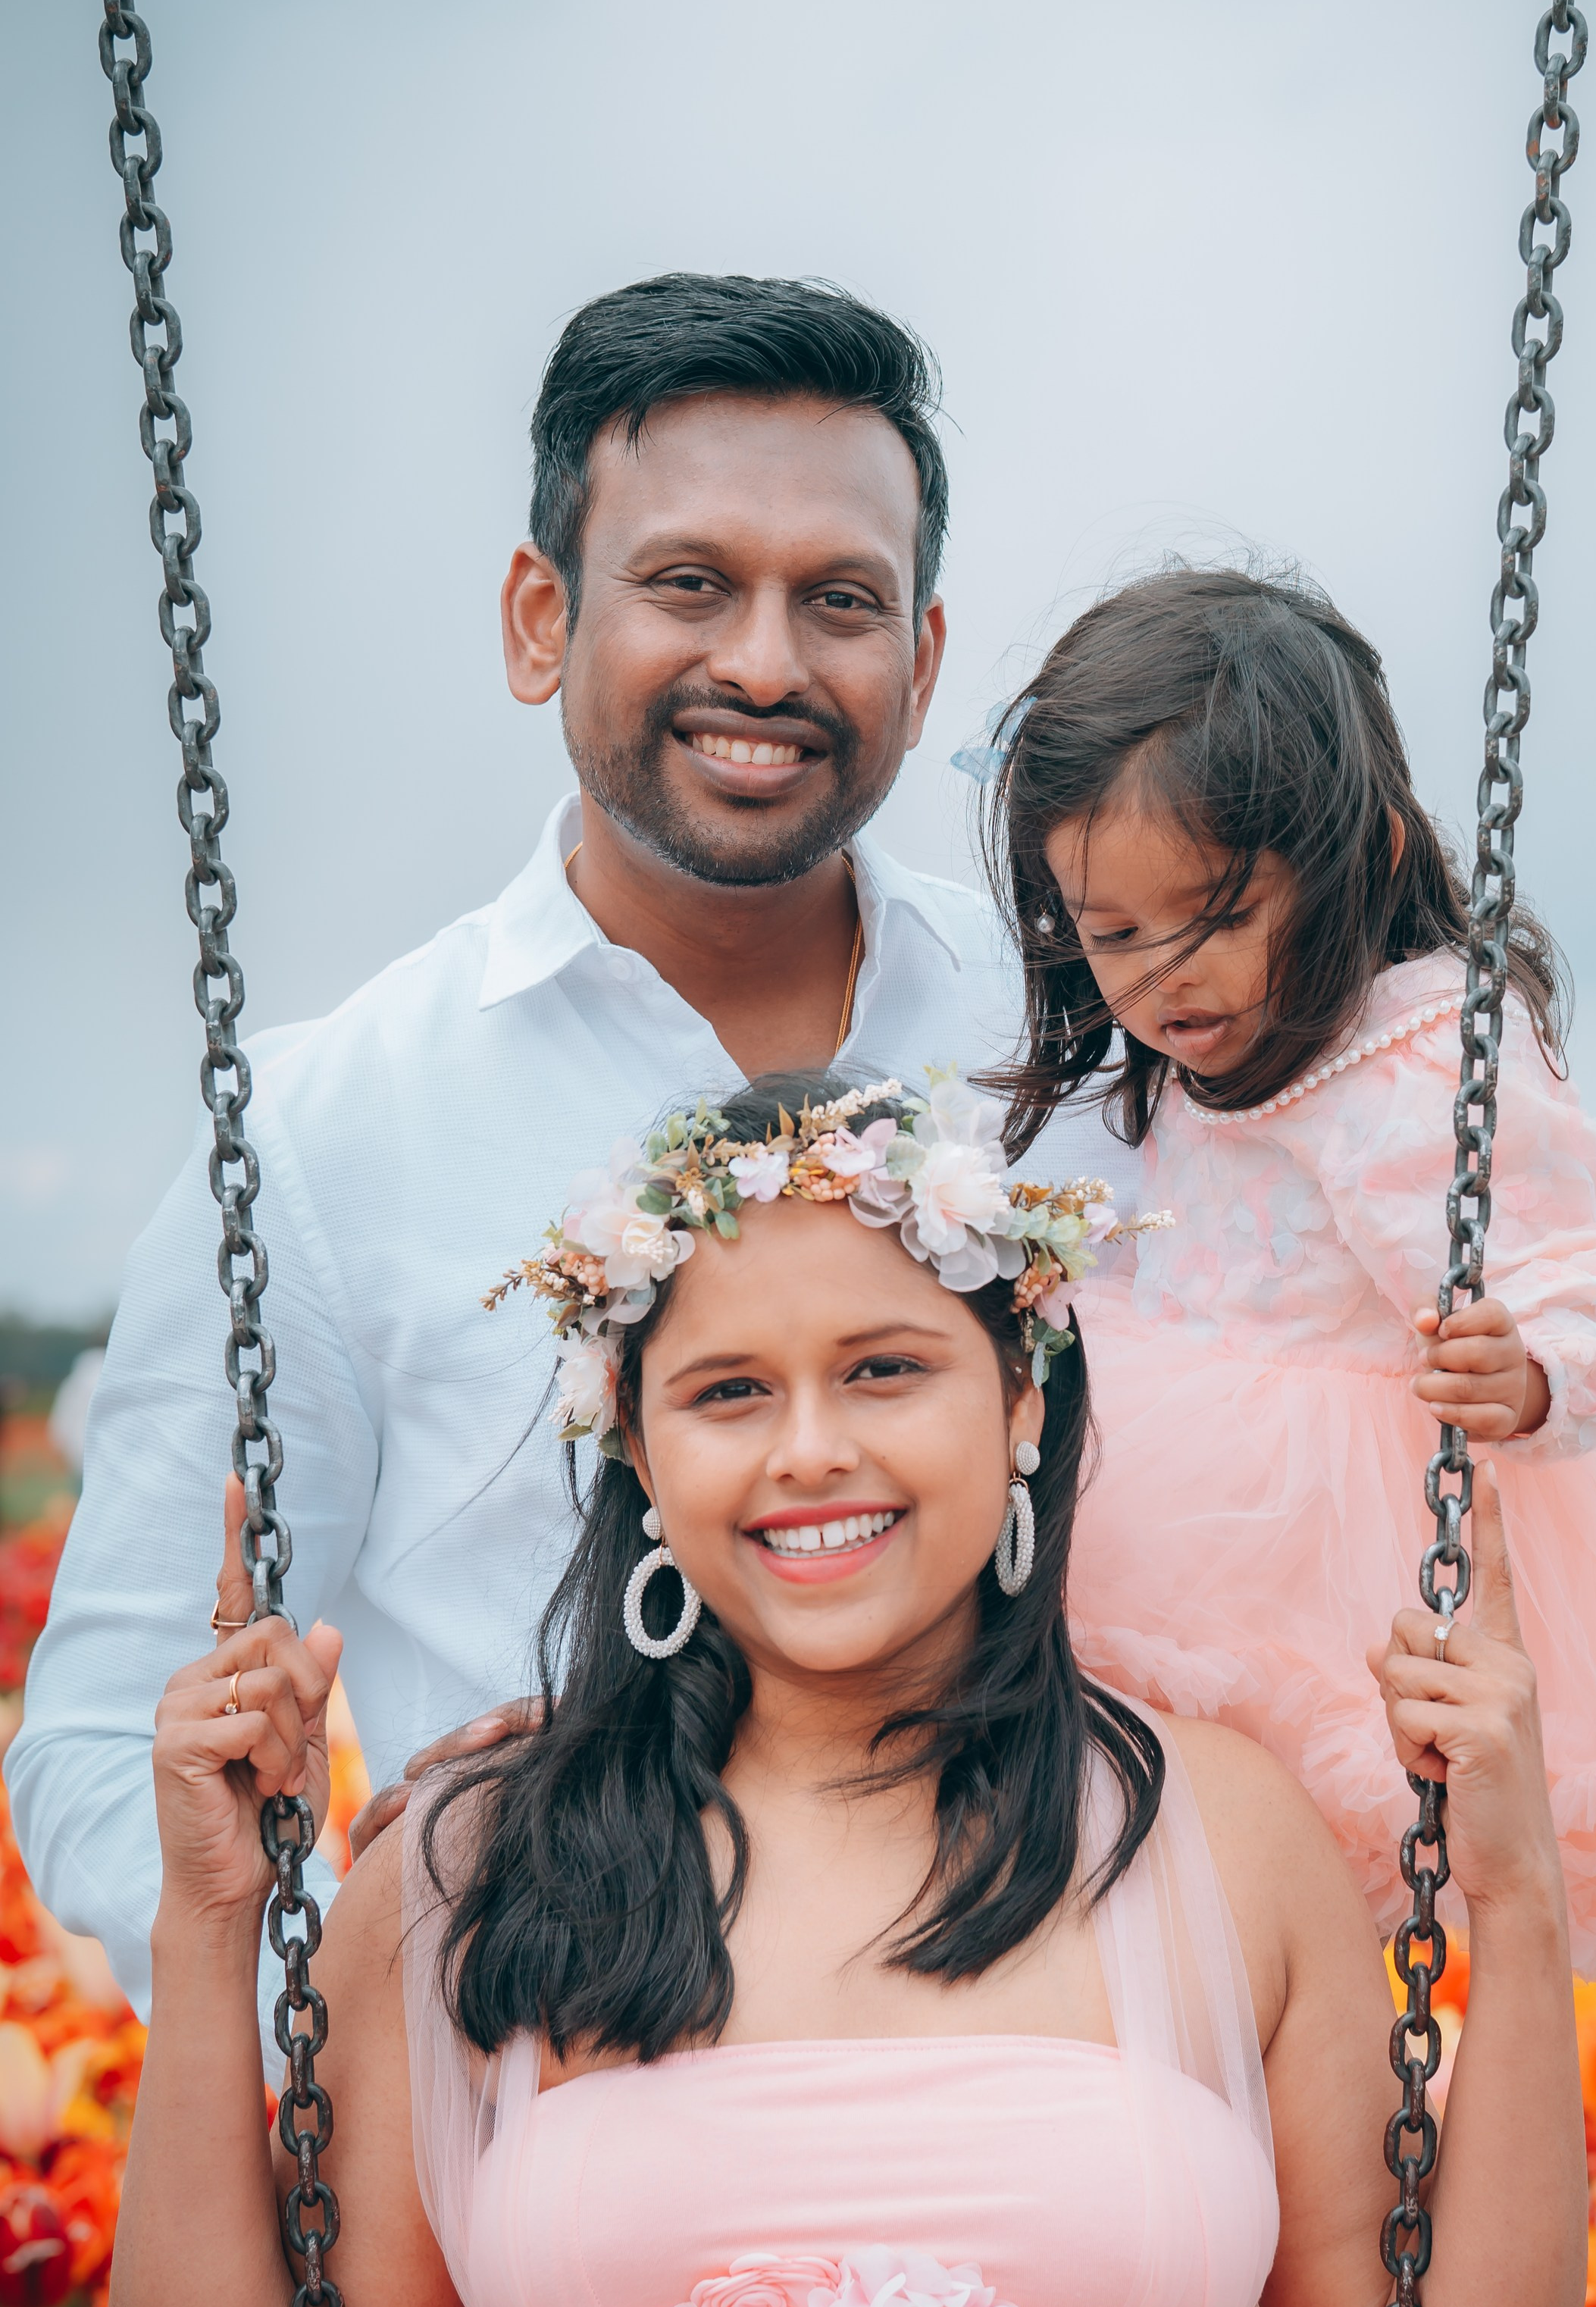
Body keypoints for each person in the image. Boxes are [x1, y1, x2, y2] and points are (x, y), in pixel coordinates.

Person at [111, 1069, 1585, 2307]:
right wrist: (211, 1917)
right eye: (729, 1389)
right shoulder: (478, 1865)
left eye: (887, 1367)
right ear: (640, 1444)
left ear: (1022, 1394)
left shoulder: (1217, 1838)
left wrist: (1518, 1903)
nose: (813, 1451)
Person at [12, 274, 1132, 2020]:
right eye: (689, 583)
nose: (764, 660)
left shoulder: (1086, 1041)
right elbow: (97, 1744)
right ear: (541, 617)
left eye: (838, 599)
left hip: (1075, 2103)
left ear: (917, 660)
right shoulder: (325, 1132)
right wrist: (398, 2022)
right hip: (564, 2131)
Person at [987, 565, 1596, 1982]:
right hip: (1164, 1521)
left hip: (1359, 1554)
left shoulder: (1416, 1058)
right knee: (1164, 1864)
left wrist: (1530, 1366)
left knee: (1333, 1878)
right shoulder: (1155, 1075)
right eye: (1112, 934)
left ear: (1355, 858)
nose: (1161, 977)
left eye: (1213, 916)